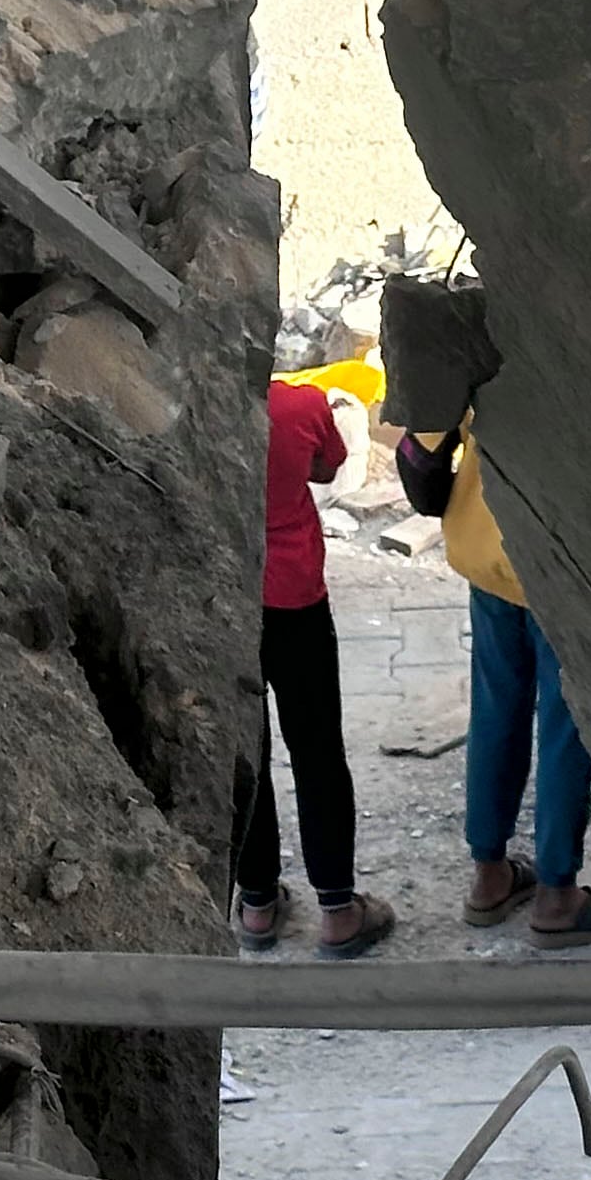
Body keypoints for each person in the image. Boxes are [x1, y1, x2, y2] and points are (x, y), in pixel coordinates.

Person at [397, 416, 591, 951]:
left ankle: (490, 876)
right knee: (567, 727)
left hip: (489, 544)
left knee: (495, 712)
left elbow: (429, 422)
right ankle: (558, 895)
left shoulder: (489, 330)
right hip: (569, 563)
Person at [233, 356, 398, 958]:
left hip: (230, 597)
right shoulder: (301, 407)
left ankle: (256, 904)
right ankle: (337, 910)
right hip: (297, 598)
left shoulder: (197, 403)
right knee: (318, 749)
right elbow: (330, 466)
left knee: (243, 750)